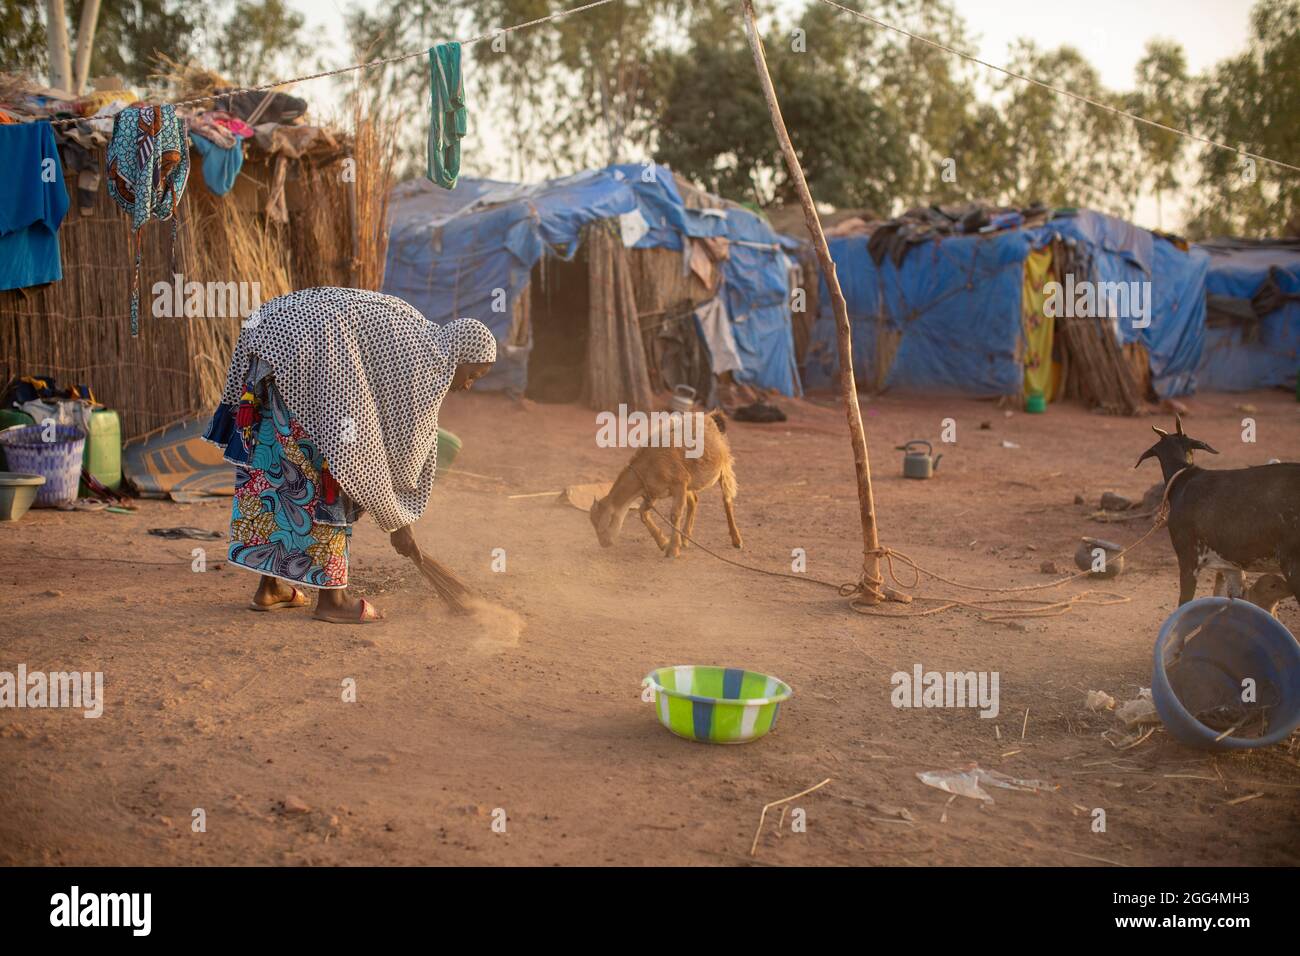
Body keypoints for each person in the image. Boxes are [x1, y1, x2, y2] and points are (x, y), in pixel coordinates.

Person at [204, 287, 496, 623]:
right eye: (472, 374)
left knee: (278, 465)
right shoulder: (428, 362)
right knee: (339, 466)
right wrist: (398, 522)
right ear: (458, 355)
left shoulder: (419, 331)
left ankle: (270, 588)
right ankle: (333, 601)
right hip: (310, 355)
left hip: (268, 341)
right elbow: (400, 453)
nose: (469, 384)